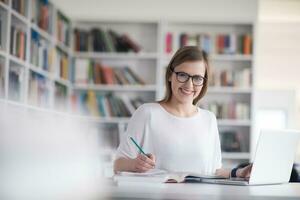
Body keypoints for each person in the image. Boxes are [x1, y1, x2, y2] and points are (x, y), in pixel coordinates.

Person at [113, 46, 252, 178]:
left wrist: (238, 173)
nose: (189, 85)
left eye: (197, 78)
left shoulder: (209, 119)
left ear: (204, 82)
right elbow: (118, 164)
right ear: (169, 75)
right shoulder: (147, 113)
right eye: (182, 75)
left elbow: (213, 171)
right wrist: (134, 164)